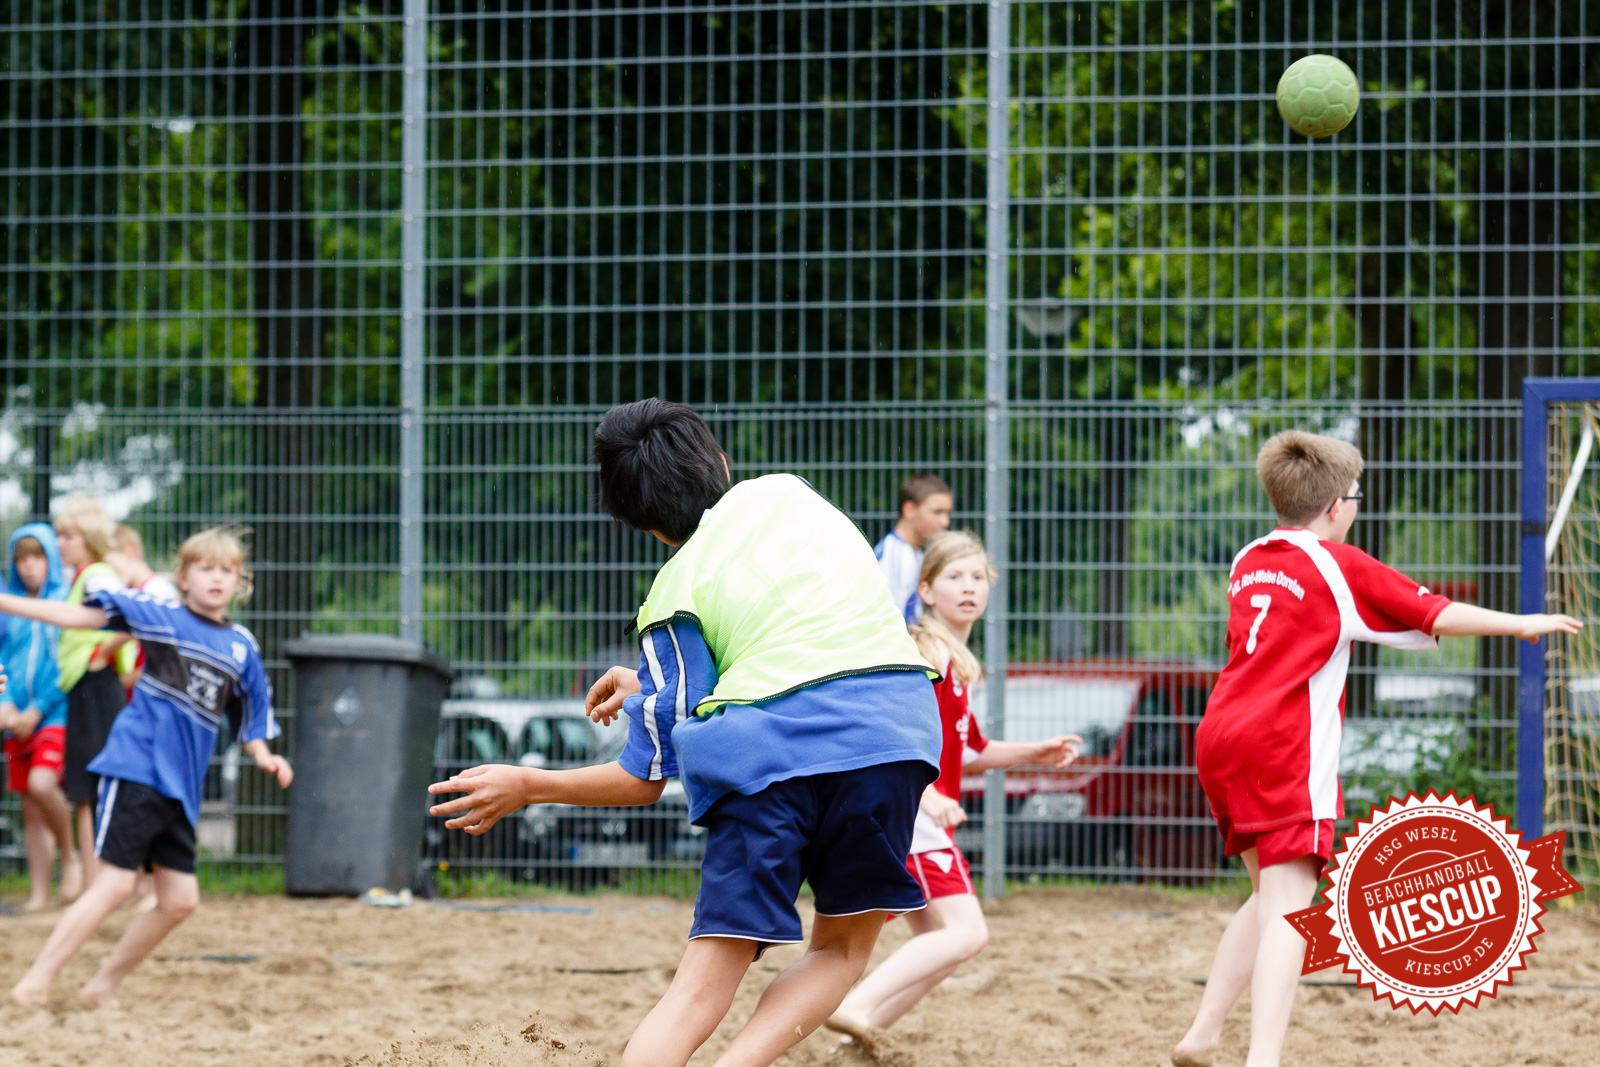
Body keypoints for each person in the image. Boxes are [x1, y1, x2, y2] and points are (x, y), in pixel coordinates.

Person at [430, 398, 942, 1067]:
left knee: (699, 990)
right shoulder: (791, 495)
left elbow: (642, 780)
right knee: (840, 953)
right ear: (720, 461)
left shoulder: (673, 593)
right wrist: (654, 688)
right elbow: (792, 632)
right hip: (889, 735)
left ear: (648, 528)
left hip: (765, 761)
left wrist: (528, 784)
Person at [1171, 431, 1582, 1067]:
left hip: (1221, 734)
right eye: (1357, 496)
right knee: (1289, 909)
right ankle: (1263, 1058)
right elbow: (1435, 613)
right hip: (1281, 743)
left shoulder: (1250, 558)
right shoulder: (1339, 565)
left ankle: (1202, 1034)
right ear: (1336, 506)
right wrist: (1521, 623)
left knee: (1267, 897)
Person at [4, 527, 293, 1008]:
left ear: (239, 582)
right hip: (137, 767)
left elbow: (251, 713)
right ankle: (35, 981)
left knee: (179, 901)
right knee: (115, 884)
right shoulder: (162, 616)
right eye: (205, 568)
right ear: (183, 577)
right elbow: (82, 617)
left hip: (181, 788)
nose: (216, 578)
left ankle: (101, 986)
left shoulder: (241, 645)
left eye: (227, 570)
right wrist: (7, 601)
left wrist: (265, 756)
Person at [825, 530, 1080, 1043]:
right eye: (955, 576)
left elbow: (967, 752)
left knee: (944, 944)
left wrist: (1034, 752)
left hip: (915, 813)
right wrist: (929, 795)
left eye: (978, 577)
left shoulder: (955, 661)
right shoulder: (930, 653)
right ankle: (856, 1006)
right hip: (913, 817)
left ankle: (858, 1038)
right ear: (925, 591)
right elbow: (894, 736)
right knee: (967, 933)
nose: (969, 586)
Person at [0, 524, 82, 910]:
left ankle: (70, 855)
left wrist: (37, 709)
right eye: (21, 558)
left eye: (36, 556)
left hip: (54, 715)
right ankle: (38, 894)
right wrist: (7, 704)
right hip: (15, 718)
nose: (29, 565)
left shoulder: (65, 600)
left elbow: (67, 665)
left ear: (50, 558)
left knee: (41, 784)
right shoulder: (10, 605)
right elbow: (5, 658)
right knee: (29, 807)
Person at [53, 494, 128, 887]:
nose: (60, 543)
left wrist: (101, 655)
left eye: (69, 535)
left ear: (90, 537)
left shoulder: (97, 575)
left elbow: (129, 617)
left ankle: (101, 883)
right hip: (84, 688)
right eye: (59, 535)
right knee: (84, 789)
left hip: (97, 688)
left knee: (95, 786)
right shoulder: (82, 575)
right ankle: (93, 883)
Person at [102, 524, 181, 693]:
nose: (109, 572)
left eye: (110, 564)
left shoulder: (157, 591)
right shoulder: (138, 592)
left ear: (129, 553)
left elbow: (167, 656)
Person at [874, 475, 953, 623]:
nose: (945, 522)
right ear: (909, 510)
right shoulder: (898, 557)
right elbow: (891, 623)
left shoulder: (912, 553)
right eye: (937, 512)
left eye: (947, 513)